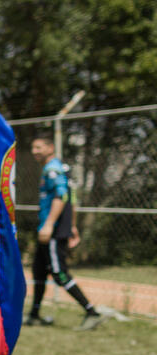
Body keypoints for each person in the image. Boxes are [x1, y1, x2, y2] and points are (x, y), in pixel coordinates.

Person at [27, 135, 103, 330]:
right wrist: (73, 225)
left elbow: (61, 197)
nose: (35, 151)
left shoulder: (53, 170)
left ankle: (91, 312)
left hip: (51, 231)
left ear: (50, 148)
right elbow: (73, 199)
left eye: (39, 147)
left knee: (59, 273)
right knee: (39, 271)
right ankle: (34, 314)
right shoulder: (60, 168)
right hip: (52, 228)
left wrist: (50, 225)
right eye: (33, 148)